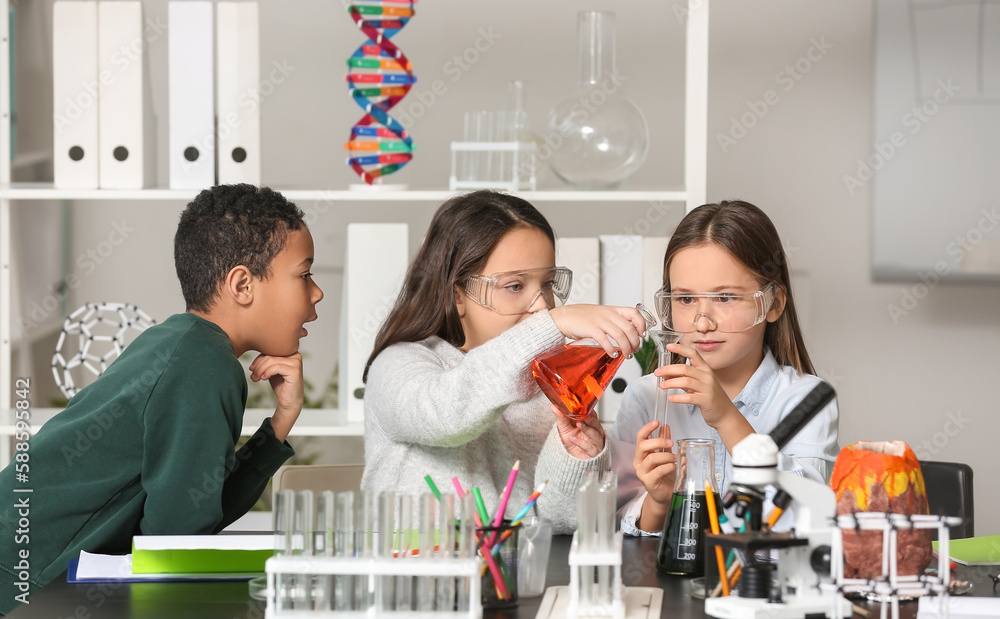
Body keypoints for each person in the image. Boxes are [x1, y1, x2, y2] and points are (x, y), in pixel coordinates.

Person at [0, 184, 324, 612]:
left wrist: (282, 418)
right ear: (242, 284)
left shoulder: (180, 342)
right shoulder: (204, 365)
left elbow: (191, 512)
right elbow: (177, 546)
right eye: (304, 274)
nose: (317, 292)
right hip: (24, 593)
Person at [362, 190, 648, 534]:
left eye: (547, 284)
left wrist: (574, 456)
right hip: (413, 578)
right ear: (457, 296)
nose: (541, 304)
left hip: (511, 578)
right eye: (514, 285)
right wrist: (555, 324)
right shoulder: (397, 364)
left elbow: (560, 522)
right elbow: (448, 415)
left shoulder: (544, 384)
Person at [610, 200, 839, 536]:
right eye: (685, 299)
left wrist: (726, 417)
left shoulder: (805, 401)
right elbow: (611, 522)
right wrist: (659, 503)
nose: (702, 322)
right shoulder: (646, 399)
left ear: (773, 304)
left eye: (726, 297)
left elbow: (807, 521)